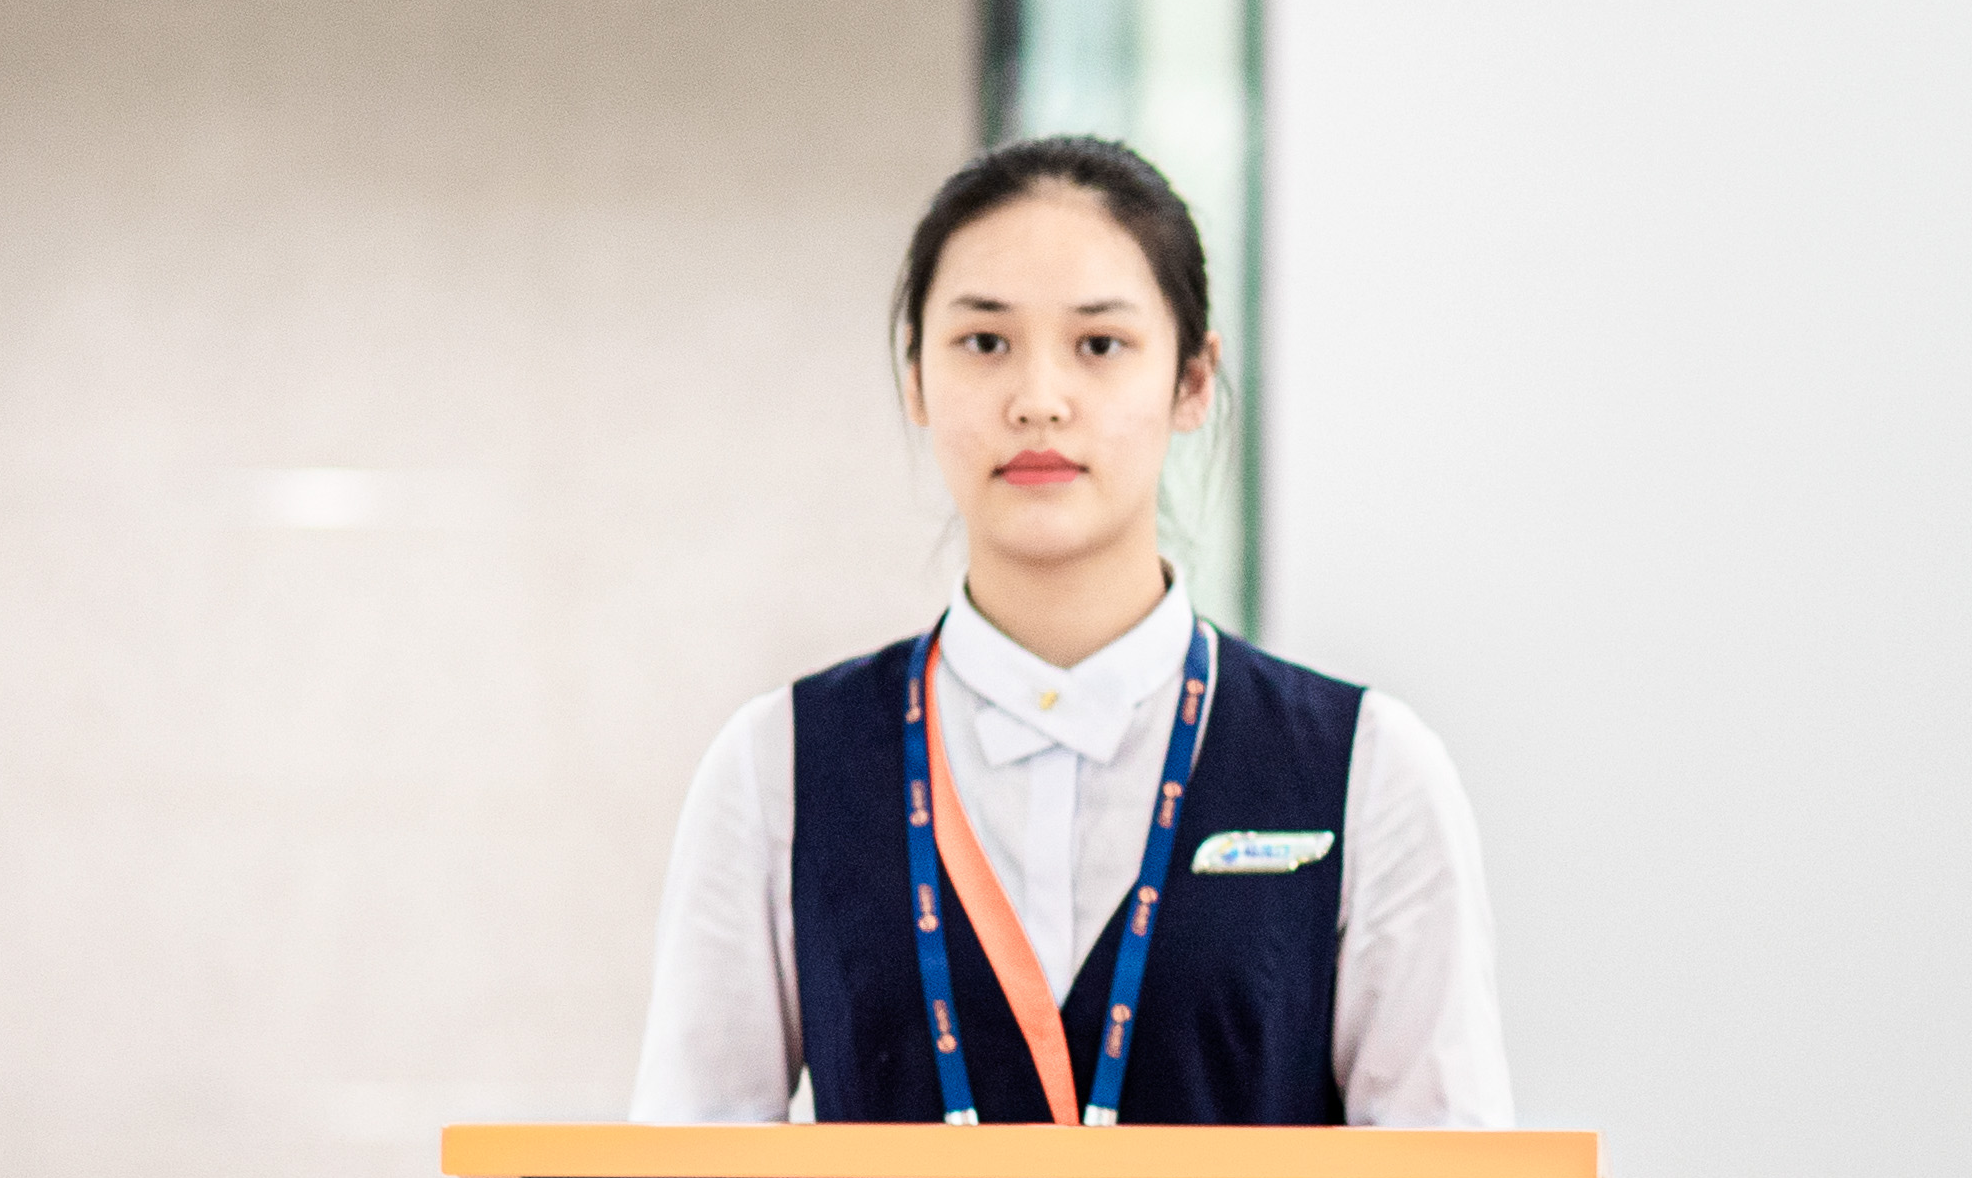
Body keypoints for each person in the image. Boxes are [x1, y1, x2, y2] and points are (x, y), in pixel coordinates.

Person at [633, 135, 1508, 1127]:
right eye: (985, 343)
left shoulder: (1369, 772)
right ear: (916, 378)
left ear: (1192, 381)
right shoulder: (778, 768)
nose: (1038, 402)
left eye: (1099, 346)